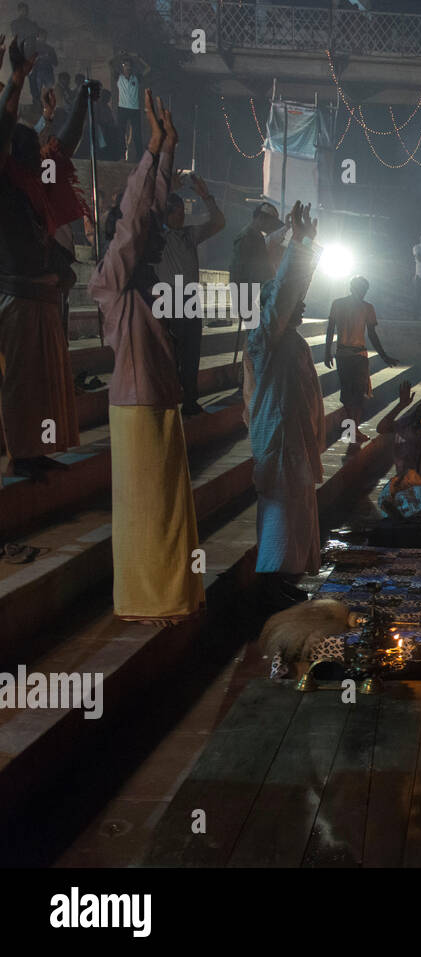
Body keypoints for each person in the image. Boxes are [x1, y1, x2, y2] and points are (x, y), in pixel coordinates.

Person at [89, 89, 203, 623]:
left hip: (157, 399)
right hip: (136, 407)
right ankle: (144, 598)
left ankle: (170, 594)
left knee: (166, 506)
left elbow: (149, 216)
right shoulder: (113, 280)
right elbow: (135, 221)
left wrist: (167, 153)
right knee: (147, 511)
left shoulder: (143, 278)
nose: (155, 244)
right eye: (143, 242)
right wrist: (149, 150)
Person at [0, 37, 89, 479]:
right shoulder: (5, 182)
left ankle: (38, 450)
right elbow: (4, 124)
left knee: (44, 386)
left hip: (42, 297)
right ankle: (21, 453)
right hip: (15, 298)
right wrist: (15, 80)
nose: (43, 152)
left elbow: (65, 146)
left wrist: (83, 104)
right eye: (34, 148)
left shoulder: (36, 182)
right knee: (21, 384)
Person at [244, 201, 326, 611]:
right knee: (278, 514)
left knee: (295, 509)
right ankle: (267, 588)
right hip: (274, 439)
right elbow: (282, 295)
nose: (303, 304)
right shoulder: (265, 337)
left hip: (292, 438)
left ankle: (286, 580)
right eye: (297, 300)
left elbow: (291, 292)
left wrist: (307, 245)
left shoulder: (290, 339)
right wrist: (302, 243)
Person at [160, 172, 226, 415]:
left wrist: (206, 196)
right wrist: (165, 190)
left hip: (189, 299)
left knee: (191, 353)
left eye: (182, 211)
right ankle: (168, 400)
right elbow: (147, 212)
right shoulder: (158, 235)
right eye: (178, 211)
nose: (183, 215)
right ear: (168, 212)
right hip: (166, 298)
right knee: (169, 354)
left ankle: (189, 399)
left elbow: (218, 223)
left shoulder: (189, 234)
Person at [324, 275, 398, 450]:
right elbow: (370, 334)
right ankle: (352, 431)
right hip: (353, 356)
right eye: (362, 288)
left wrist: (328, 352)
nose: (363, 292)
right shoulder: (363, 307)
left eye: (364, 289)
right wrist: (384, 356)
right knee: (354, 397)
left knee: (352, 396)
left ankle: (352, 431)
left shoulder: (346, 305)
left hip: (347, 355)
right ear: (353, 288)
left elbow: (330, 330)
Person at [230, 200, 289, 376]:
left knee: (255, 338)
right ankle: (247, 378)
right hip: (250, 296)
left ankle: (248, 377)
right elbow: (242, 271)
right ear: (261, 219)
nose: (271, 227)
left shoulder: (256, 237)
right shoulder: (248, 238)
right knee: (254, 339)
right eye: (270, 222)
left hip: (254, 295)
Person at [375, 378, 421, 521]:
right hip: (407, 484)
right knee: (387, 495)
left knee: (410, 497)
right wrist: (401, 405)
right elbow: (381, 428)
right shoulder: (408, 425)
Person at [115, 57, 142, 162]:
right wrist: (120, 55)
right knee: (121, 132)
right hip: (122, 108)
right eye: (125, 65)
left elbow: (147, 68)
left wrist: (135, 57)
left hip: (135, 109)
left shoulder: (136, 78)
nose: (128, 67)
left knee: (137, 133)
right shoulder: (119, 77)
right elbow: (110, 63)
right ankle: (121, 154)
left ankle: (139, 155)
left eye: (129, 65)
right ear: (123, 67)